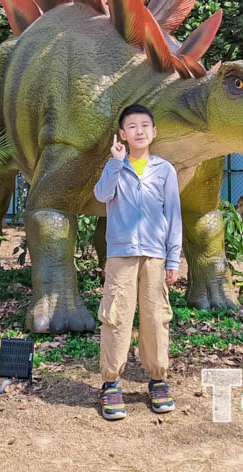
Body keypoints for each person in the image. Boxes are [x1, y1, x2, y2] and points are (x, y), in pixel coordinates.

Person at [92, 103, 182, 421]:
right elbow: (102, 195)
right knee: (116, 318)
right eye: (132, 126)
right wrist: (115, 164)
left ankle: (157, 380)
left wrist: (173, 257)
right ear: (123, 134)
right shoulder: (115, 165)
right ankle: (111, 385)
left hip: (155, 256)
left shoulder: (165, 170)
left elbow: (173, 216)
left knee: (156, 318)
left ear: (154, 132)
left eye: (145, 125)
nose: (139, 131)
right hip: (121, 255)